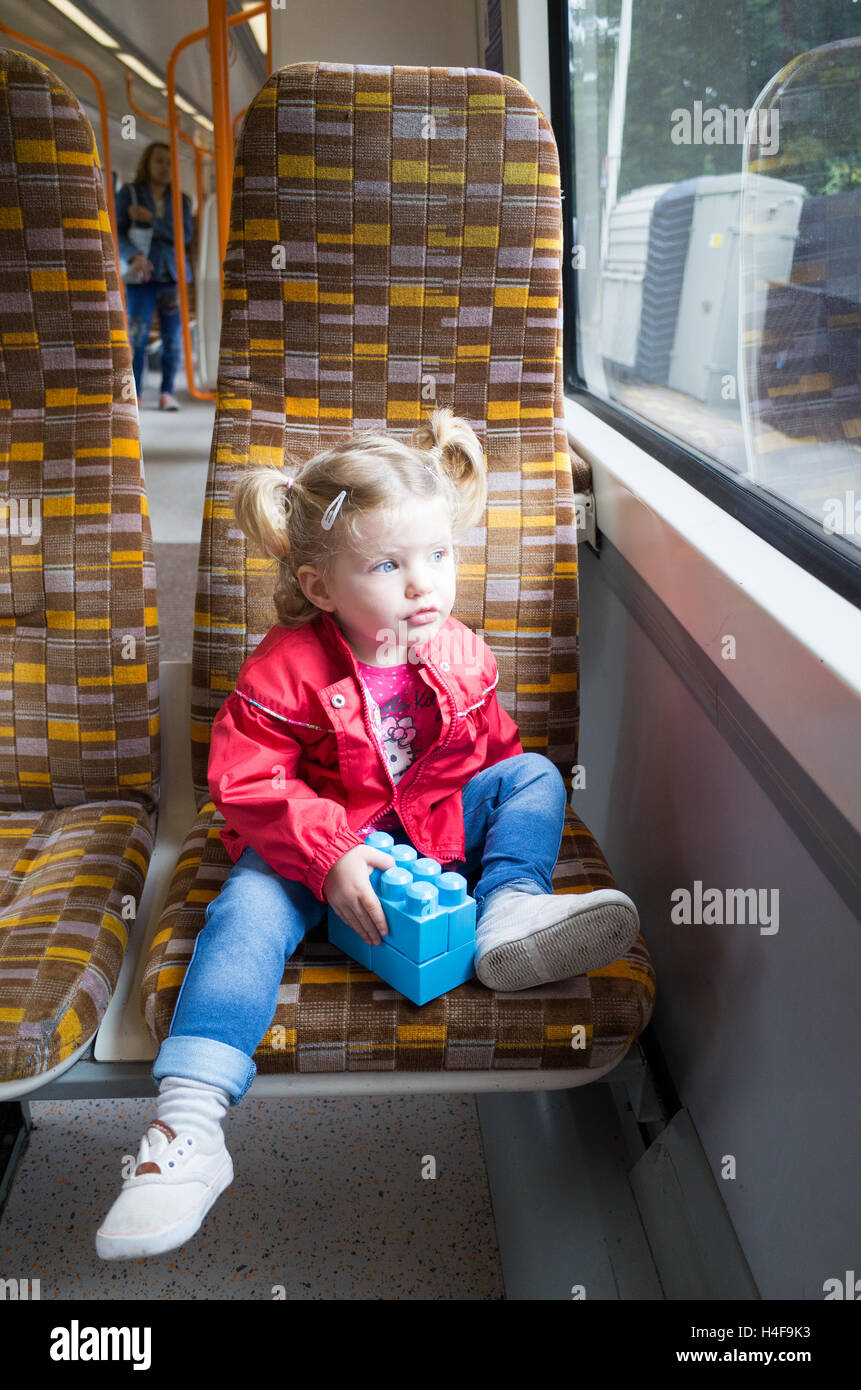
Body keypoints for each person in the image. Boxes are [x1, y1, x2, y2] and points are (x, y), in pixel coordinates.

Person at [96, 407, 640, 1260]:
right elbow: (244, 781)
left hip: (430, 834)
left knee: (531, 774)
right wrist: (327, 851)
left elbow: (486, 757)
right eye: (388, 564)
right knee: (241, 916)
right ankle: (187, 1130)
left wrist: (478, 827)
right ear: (320, 588)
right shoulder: (286, 669)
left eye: (437, 556)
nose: (423, 584)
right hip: (309, 851)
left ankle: (509, 910)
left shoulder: (460, 651)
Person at [115, 142, 194, 410]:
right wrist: (132, 256)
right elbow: (116, 232)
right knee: (137, 336)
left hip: (171, 277)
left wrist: (151, 220)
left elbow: (184, 236)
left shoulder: (180, 201)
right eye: (159, 161)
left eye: (170, 162)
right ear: (147, 164)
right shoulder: (129, 194)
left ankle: (167, 392)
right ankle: (135, 392)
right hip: (141, 278)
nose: (165, 167)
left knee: (172, 338)